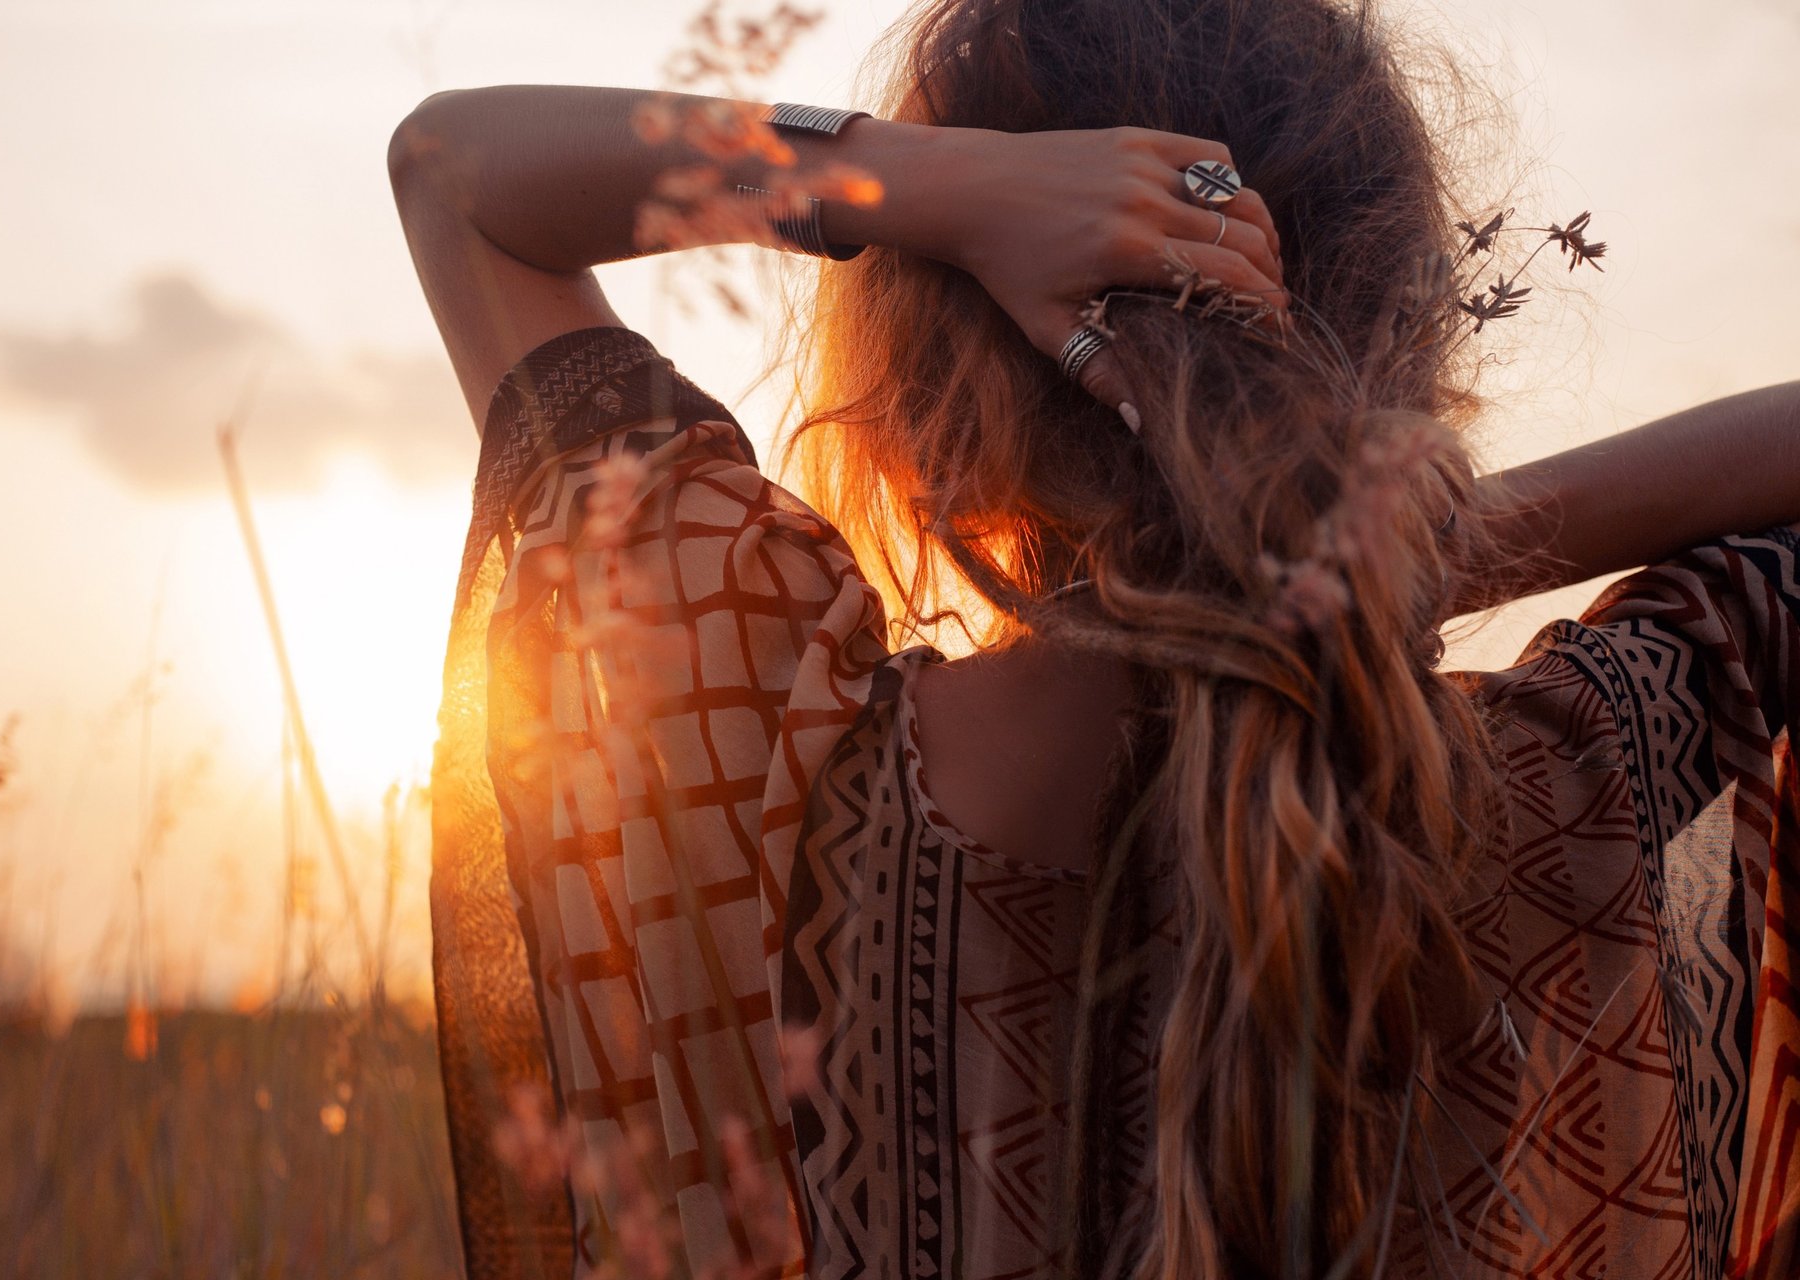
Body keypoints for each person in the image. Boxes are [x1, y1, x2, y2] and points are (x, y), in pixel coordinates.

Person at [388, 1, 1800, 1275]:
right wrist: (1398, 539)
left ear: (928, 393)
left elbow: (457, 175)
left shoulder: (757, 754)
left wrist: (924, 188)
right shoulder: (1574, 787)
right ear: (1404, 328)